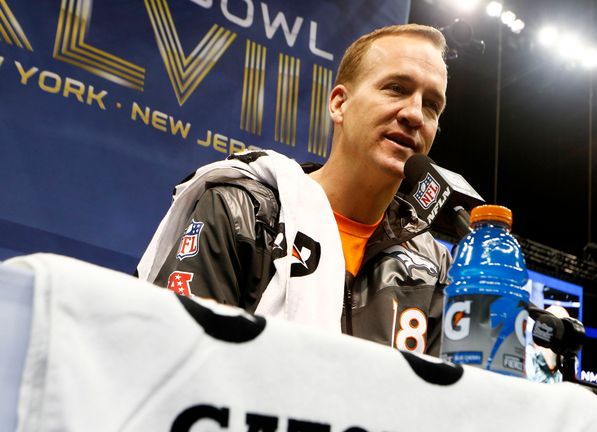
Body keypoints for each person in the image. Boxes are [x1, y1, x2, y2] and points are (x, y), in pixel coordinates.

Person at [137, 24, 452, 357]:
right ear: (339, 104)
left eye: (432, 105)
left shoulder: (437, 267)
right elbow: (175, 362)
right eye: (396, 88)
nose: (415, 114)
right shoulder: (241, 211)